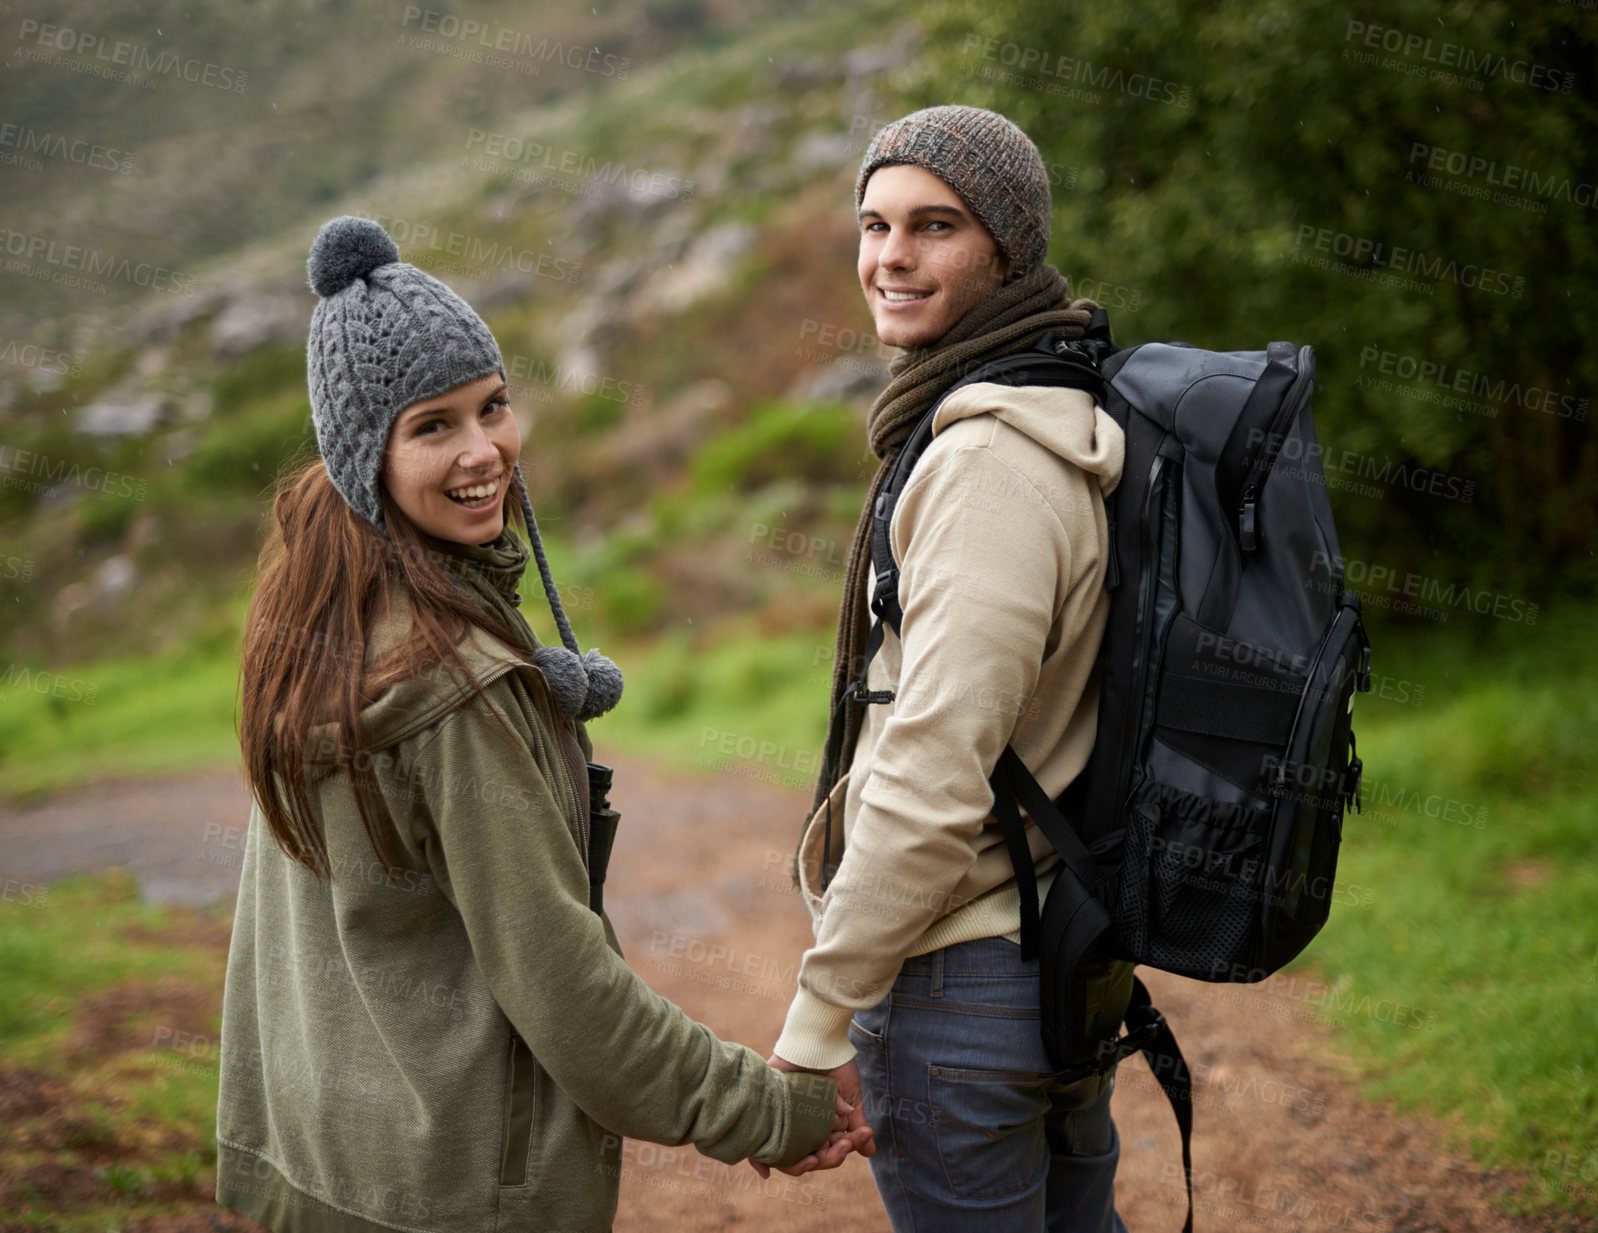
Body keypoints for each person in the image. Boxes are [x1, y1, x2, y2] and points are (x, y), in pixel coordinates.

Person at [217, 215, 866, 1233]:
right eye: (434, 427)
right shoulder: (452, 686)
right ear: (362, 456)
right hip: (456, 1192)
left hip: (331, 1162)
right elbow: (566, 991)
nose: (485, 453)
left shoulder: (321, 615)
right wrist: (771, 1109)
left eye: (494, 407)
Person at [767, 106, 1135, 1231]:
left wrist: (819, 1022)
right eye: (874, 225)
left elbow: (933, 771)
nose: (890, 257)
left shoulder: (983, 465)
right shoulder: (1056, 407)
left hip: (961, 988)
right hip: (1057, 955)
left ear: (1007, 249)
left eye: (935, 227)